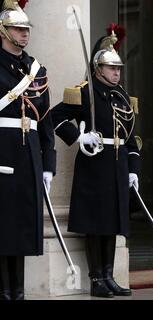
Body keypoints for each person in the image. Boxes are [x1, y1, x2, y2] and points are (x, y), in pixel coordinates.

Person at [51, 24, 141, 298]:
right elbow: (55, 118)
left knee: (113, 224)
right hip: (95, 164)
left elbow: (132, 138)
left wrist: (133, 169)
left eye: (119, 68)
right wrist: (80, 138)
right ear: (98, 68)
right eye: (112, 68)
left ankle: (109, 275)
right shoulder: (85, 92)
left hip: (118, 165)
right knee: (96, 224)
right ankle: (95, 278)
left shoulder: (124, 96)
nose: (117, 72)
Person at [0, 0, 56, 300]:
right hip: (2, 153)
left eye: (26, 29)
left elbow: (45, 122)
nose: (24, 34)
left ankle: (18, 291)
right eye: (17, 29)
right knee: (3, 224)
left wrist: (49, 164)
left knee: (21, 226)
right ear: (2, 30)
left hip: (29, 156)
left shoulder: (36, 69)